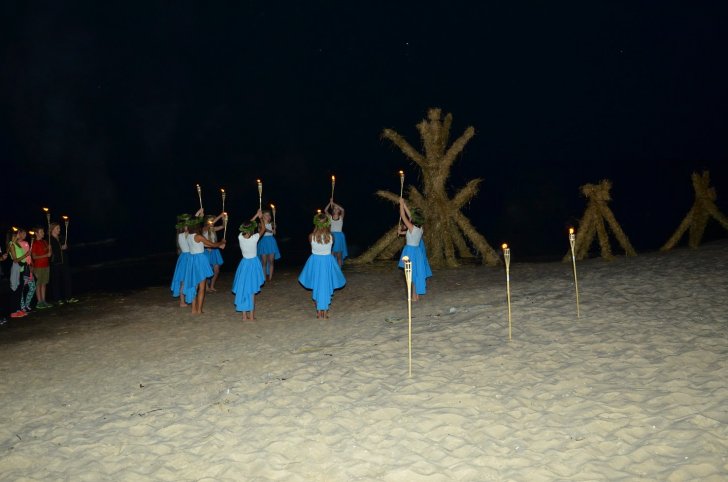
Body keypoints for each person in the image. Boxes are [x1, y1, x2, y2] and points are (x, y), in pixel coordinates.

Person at [298, 212, 346, 319]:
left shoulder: (311, 236)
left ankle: (319, 312)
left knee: (317, 284)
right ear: (327, 224)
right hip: (327, 262)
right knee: (325, 284)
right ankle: (325, 311)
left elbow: (313, 247)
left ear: (316, 223)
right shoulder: (331, 236)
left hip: (315, 262)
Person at [184, 216, 226, 315]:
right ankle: (199, 310)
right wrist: (221, 242)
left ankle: (193, 309)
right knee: (201, 287)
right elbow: (212, 244)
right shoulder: (198, 236)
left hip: (192, 260)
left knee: (193, 286)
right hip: (199, 260)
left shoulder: (188, 235)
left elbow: (204, 245)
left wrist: (219, 245)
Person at [231, 209, 266, 320]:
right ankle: (251, 316)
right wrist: (260, 217)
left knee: (243, 288)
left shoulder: (240, 237)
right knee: (251, 290)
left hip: (244, 264)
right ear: (251, 230)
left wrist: (255, 215)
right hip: (253, 264)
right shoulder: (254, 238)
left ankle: (244, 316)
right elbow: (263, 229)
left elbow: (247, 226)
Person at [397, 198, 432, 301]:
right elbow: (411, 231)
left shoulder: (411, 227)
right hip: (417, 252)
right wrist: (404, 205)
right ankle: (416, 296)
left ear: (413, 219)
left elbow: (403, 216)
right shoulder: (420, 228)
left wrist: (401, 205)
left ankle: (414, 297)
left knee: (411, 275)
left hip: (410, 252)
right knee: (415, 273)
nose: (410, 217)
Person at [49, 222, 77, 305]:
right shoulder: (49, 239)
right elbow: (52, 250)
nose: (59, 230)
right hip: (55, 262)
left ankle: (68, 298)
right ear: (52, 229)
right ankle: (57, 299)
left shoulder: (62, 237)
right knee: (56, 281)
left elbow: (67, 249)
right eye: (57, 228)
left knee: (67, 279)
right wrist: (61, 248)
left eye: (59, 228)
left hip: (64, 261)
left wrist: (66, 247)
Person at [6, 228, 29, 318]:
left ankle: (18, 309)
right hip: (16, 269)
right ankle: (13, 311)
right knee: (14, 290)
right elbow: (15, 260)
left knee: (19, 291)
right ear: (12, 236)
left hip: (21, 269)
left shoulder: (17, 244)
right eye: (16, 234)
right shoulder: (11, 245)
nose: (18, 235)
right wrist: (25, 255)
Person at [171, 214, 193, 307]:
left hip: (183, 257)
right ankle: (182, 302)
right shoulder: (185, 234)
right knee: (184, 280)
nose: (189, 226)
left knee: (184, 280)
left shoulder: (179, 235)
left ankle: (183, 300)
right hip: (187, 258)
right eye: (187, 224)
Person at [31, 226, 53, 309]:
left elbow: (49, 253)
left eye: (43, 232)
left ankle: (44, 301)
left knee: (44, 284)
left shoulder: (44, 242)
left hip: (46, 266)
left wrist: (50, 249)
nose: (43, 233)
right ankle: (39, 302)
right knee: (38, 284)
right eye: (41, 232)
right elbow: (34, 257)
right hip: (38, 267)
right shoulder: (34, 243)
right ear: (36, 233)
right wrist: (46, 255)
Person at [203, 213, 225, 292]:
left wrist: (224, 219)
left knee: (216, 270)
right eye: (211, 220)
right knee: (206, 270)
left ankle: (212, 286)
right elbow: (210, 224)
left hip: (215, 251)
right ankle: (206, 287)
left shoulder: (213, 229)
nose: (213, 222)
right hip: (206, 251)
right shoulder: (204, 229)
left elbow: (223, 226)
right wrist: (220, 215)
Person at [257, 209, 280, 281]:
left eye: (269, 215)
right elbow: (262, 230)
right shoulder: (260, 224)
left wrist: (274, 229)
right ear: (263, 216)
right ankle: (264, 278)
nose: (268, 216)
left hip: (271, 242)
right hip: (263, 242)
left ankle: (270, 278)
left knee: (271, 261)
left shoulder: (272, 224)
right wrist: (271, 231)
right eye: (266, 215)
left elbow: (274, 233)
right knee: (264, 262)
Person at [325, 198, 348, 267]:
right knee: (332, 253)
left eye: (337, 209)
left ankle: (339, 270)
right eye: (334, 208)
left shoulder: (341, 217)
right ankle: (332, 268)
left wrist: (334, 203)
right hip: (332, 235)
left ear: (339, 211)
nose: (336, 209)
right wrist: (330, 203)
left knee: (339, 255)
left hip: (339, 236)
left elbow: (343, 210)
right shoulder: (330, 217)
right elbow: (325, 210)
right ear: (333, 210)